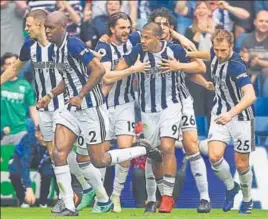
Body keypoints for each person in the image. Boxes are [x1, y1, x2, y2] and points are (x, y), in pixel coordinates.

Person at [41, 11, 162, 216]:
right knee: (58, 153)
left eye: (50, 28)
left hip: (91, 108)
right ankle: (69, 204)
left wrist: (80, 95)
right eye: (45, 28)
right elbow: (68, 77)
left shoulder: (74, 44)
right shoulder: (54, 50)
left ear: (63, 28)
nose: (47, 31)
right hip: (71, 109)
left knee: (99, 160)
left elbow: (98, 71)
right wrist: (51, 94)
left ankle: (141, 149)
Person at [0, 9, 107, 215]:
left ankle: (70, 198)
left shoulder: (62, 45)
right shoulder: (29, 47)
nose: (26, 28)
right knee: (55, 154)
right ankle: (85, 190)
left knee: (61, 152)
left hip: (64, 104)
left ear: (41, 25)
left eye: (29, 24)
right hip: (45, 106)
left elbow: (85, 67)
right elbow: (14, 69)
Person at [113, 22, 206, 213]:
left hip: (171, 105)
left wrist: (178, 65)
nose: (143, 40)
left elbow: (200, 65)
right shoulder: (138, 51)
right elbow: (116, 69)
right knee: (154, 154)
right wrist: (131, 69)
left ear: (158, 38)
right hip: (147, 109)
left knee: (167, 146)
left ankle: (167, 198)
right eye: (142, 37)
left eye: (147, 37)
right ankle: (156, 196)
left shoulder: (174, 50)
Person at [141, 7, 212, 213]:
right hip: (152, 106)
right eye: (158, 23)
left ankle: (205, 198)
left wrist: (201, 81)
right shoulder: (144, 45)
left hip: (181, 102)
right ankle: (153, 198)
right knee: (155, 151)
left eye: (166, 24)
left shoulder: (179, 47)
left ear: (171, 28)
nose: (162, 27)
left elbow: (196, 69)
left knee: (191, 146)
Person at [187, 29, 256, 214]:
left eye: (223, 50)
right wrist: (186, 52)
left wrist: (231, 114)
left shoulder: (236, 66)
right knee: (214, 156)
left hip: (240, 116)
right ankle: (231, 187)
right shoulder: (215, 53)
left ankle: (247, 200)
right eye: (216, 49)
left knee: (241, 164)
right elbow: (206, 54)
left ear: (231, 47)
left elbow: (251, 96)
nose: (219, 54)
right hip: (219, 112)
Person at [95, 12, 150, 213]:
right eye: (121, 28)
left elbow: (154, 34)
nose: (126, 31)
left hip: (126, 104)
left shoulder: (135, 40)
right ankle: (100, 198)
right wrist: (132, 69)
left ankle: (116, 196)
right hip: (105, 106)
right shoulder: (102, 47)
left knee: (125, 152)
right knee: (100, 154)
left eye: (128, 27)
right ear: (112, 29)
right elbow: (107, 77)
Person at [8, 119, 53, 208]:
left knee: (48, 173)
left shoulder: (53, 140)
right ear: (37, 133)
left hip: (41, 158)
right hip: (20, 156)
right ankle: (23, 200)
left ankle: (43, 202)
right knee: (14, 173)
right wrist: (28, 188)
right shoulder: (29, 139)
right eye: (43, 134)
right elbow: (24, 164)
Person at [0, 52, 39, 146]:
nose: (12, 66)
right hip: (2, 133)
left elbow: (33, 110)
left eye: (14, 63)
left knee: (19, 160)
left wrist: (38, 127)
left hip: (21, 131)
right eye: (8, 64)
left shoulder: (25, 85)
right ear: (2, 67)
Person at [240, 10, 268, 87]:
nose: (264, 24)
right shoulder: (246, 39)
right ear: (255, 22)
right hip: (249, 73)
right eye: (261, 21)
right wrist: (243, 58)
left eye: (267, 21)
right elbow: (240, 60)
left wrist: (259, 62)